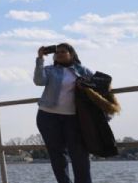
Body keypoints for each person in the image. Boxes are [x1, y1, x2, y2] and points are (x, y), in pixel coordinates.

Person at [34, 43, 94, 183]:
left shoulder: (83, 70)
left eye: (63, 51)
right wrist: (40, 59)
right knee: (57, 156)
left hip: (73, 118)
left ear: (71, 54)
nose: (59, 54)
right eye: (57, 52)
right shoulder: (50, 70)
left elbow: (97, 87)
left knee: (79, 155)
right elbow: (38, 81)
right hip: (47, 117)